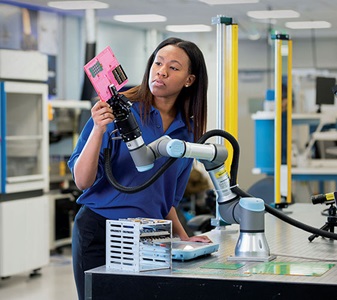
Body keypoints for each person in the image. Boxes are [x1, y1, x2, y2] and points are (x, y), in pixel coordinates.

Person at [68, 37, 211, 300]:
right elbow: (82, 181)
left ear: (189, 80)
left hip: (150, 234)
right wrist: (99, 129)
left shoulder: (187, 131)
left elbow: (165, 198)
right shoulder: (117, 110)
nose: (161, 71)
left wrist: (183, 237)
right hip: (100, 231)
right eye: (158, 63)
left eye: (174, 67)